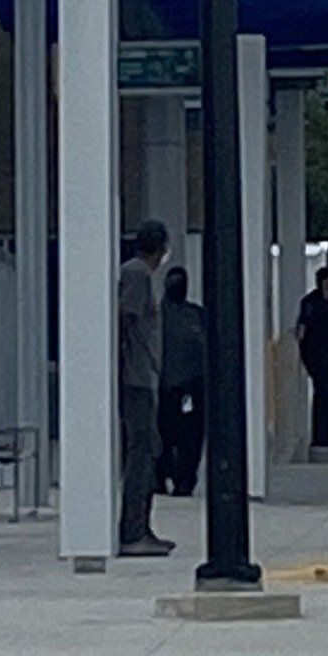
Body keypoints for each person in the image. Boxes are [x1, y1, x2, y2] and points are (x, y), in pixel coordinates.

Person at [117, 220, 172, 556]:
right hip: (136, 378)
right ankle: (133, 528)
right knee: (143, 449)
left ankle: (142, 526)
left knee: (150, 447)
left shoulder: (140, 274)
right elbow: (126, 316)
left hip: (144, 375)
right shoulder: (137, 274)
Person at [156, 264, 207, 497]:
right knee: (163, 436)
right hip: (164, 387)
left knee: (191, 438)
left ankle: (185, 480)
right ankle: (160, 478)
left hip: (193, 387)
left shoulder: (196, 314)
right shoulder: (157, 315)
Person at [295, 265, 328, 450]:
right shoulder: (311, 302)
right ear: (325, 281)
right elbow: (303, 327)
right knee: (323, 392)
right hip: (316, 352)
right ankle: (319, 435)